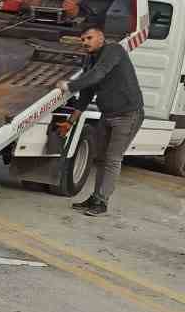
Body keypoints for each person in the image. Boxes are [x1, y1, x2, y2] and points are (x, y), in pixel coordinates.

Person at [56, 25, 144, 216]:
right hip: (108, 115)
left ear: (101, 38)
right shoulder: (90, 60)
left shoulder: (114, 50)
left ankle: (101, 202)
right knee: (101, 158)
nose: (85, 42)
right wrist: (70, 122)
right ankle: (96, 197)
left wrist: (70, 86)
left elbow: (99, 73)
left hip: (128, 115)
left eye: (89, 38)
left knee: (112, 159)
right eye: (82, 40)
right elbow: (87, 93)